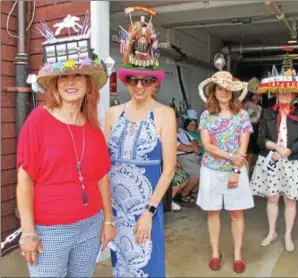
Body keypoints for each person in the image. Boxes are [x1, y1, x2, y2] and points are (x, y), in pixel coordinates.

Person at [16, 14, 115, 277]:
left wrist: (108, 220)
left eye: (78, 76)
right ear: (56, 86)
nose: (71, 82)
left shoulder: (93, 127)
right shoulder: (38, 120)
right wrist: (28, 231)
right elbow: (24, 180)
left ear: (87, 84)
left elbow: (102, 177)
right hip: (50, 229)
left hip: (90, 225)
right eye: (63, 77)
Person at [105, 11, 176, 277]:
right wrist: (106, 213)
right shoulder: (112, 114)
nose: (139, 85)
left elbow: (168, 169)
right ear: (126, 80)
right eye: (133, 79)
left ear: (155, 82)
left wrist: (148, 212)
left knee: (148, 263)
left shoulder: (165, 114)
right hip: (116, 208)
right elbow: (103, 163)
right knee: (120, 262)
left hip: (147, 206)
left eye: (146, 80)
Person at [250, 56, 298, 252]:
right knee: (272, 198)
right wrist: (276, 148)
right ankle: (272, 232)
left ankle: (288, 235)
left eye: (288, 92)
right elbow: (260, 139)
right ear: (276, 94)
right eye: (281, 93)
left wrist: (288, 150)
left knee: (289, 199)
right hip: (271, 159)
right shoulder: (268, 113)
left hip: (293, 161)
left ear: (293, 95)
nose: (284, 95)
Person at [197, 70, 254, 273]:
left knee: (236, 212)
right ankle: (215, 252)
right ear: (214, 92)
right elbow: (207, 145)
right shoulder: (206, 116)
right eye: (219, 88)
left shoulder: (242, 116)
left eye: (227, 89)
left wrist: (235, 171)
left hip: (235, 170)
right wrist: (231, 158)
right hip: (210, 170)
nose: (223, 92)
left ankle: (238, 254)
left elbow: (243, 147)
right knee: (213, 211)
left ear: (233, 92)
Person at [176, 115, 201, 204]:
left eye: (176, 121)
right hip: (184, 157)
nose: (175, 123)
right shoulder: (169, 134)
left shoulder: (182, 131)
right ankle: (184, 195)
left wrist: (193, 145)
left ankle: (193, 193)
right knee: (197, 174)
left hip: (194, 155)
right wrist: (193, 147)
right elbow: (181, 147)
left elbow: (193, 140)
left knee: (206, 171)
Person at [244, 93, 262, 172]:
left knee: (251, 149)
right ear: (251, 96)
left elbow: (258, 119)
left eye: (259, 95)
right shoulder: (247, 104)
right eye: (255, 95)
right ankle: (242, 168)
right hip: (246, 126)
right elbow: (240, 116)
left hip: (255, 127)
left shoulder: (259, 107)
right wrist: (250, 115)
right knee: (244, 147)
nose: (257, 97)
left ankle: (247, 169)